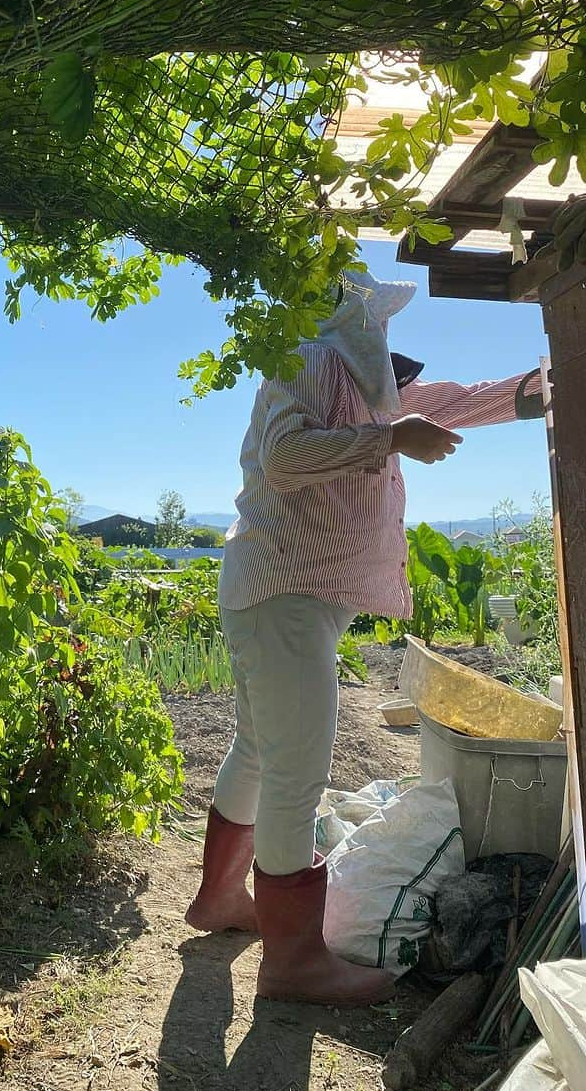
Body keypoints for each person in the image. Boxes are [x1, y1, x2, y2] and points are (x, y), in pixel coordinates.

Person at [184, 270, 542, 1006]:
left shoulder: (356, 382)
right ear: (354, 316)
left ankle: (220, 898)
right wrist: (386, 439)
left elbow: (451, 402)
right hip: (284, 591)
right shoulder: (314, 361)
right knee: (295, 771)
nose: (383, 333)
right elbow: (285, 457)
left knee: (259, 749)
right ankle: (292, 964)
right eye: (375, 317)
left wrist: (539, 389)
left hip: (277, 591)